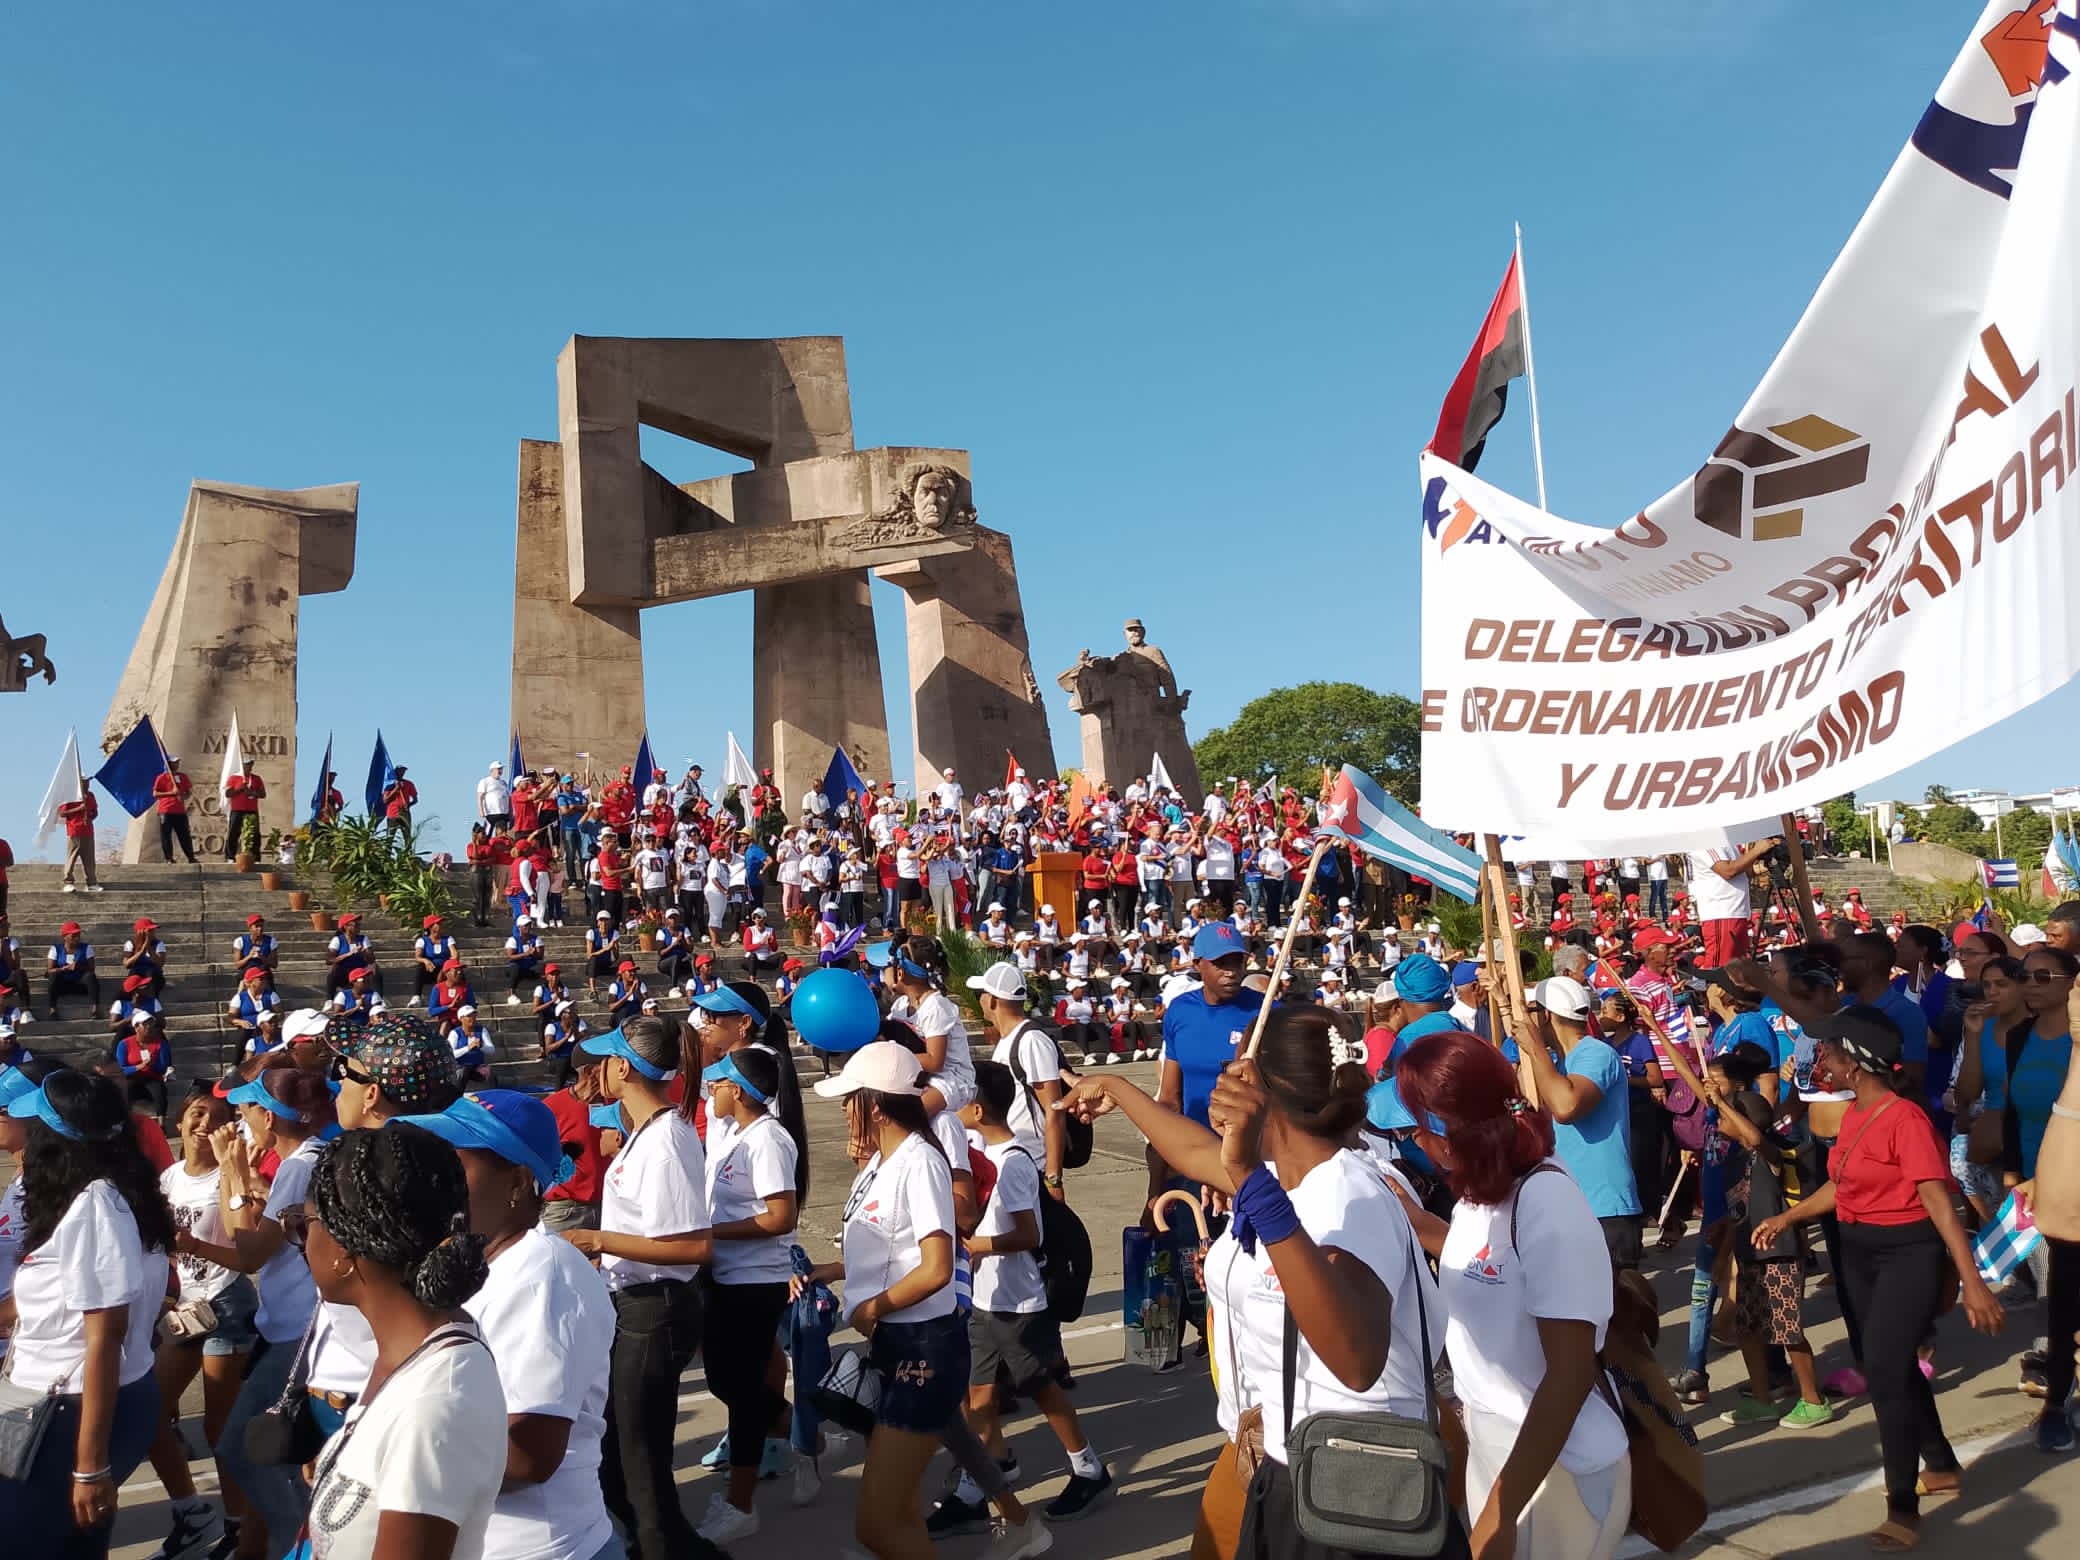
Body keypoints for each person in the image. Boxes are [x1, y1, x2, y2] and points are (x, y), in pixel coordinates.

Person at [1063, 1005, 1446, 1560]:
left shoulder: (1348, 1195)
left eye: (1239, 1071)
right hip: (1280, 1455)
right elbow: (1194, 1153)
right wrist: (1119, 1090)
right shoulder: (1285, 1176)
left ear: (1263, 1094)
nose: (1224, 1084)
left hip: (1356, 1480)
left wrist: (1245, 1177)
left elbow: (1357, 1361)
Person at [1749, 1006, 2004, 1547]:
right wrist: (1787, 1217)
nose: (1823, 1060)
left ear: (1856, 1062)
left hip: (1908, 1254)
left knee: (1886, 1375)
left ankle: (1903, 1507)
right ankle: (1940, 1464)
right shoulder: (1855, 1114)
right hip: (1860, 1252)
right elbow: (1840, 1186)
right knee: (1889, 1364)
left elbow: (1940, 1205)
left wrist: (1972, 1281)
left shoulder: (1904, 1119)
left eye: (1831, 1051)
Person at [800, 1043, 1047, 1560]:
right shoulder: (882, 1162)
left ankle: (1019, 1524)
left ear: (876, 1105)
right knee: (900, 1513)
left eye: (850, 1100)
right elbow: (891, 1250)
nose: (843, 1110)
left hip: (923, 1349)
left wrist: (871, 1309)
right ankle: (1017, 1521)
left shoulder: (920, 1162)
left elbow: (936, 1266)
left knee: (876, 1523)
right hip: (899, 1344)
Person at [1396, 1028, 1631, 1560]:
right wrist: (1412, 1219)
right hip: (1499, 1452)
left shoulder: (1546, 1202)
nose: (1412, 1141)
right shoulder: (1480, 1194)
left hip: (1555, 1470)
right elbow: (1478, 1261)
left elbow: (1569, 1378)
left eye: (1415, 1128)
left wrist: (1501, 1514)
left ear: (1448, 1135)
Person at [395, 1090, 620, 1560]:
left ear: (518, 1182)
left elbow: (526, 1455)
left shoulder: (542, 1274)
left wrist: (383, 1457)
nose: (437, 1179)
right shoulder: (475, 1264)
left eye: (455, 1163)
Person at [300, 1125, 507, 1560]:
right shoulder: (405, 1352)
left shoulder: (435, 1402)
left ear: (342, 1252)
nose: (300, 1241)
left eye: (301, 1225)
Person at [562, 1018, 722, 1560]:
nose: (598, 1070)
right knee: (620, 1457)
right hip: (634, 1305)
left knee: (638, 1461)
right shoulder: (647, 1134)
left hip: (656, 1308)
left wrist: (600, 1239)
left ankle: (660, 1549)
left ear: (623, 1067)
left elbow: (694, 1247)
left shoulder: (667, 1139)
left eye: (604, 1060)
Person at [0, 1070, 175, 1556]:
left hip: (69, 1411)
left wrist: (90, 1466)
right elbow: (57, 1300)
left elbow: (105, 1335)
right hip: (71, 1404)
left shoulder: (95, 1204)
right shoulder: (100, 1193)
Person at [955, 1061, 1112, 1525]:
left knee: (1039, 1387)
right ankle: (975, 1482)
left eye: (961, 1100)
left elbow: (1029, 1234)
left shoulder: (1013, 1163)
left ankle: (1088, 1467)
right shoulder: (978, 1153)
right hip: (985, 1297)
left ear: (979, 1109)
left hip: (1019, 1301)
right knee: (979, 1394)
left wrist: (978, 1245)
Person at [209, 1064, 337, 1560]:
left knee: (246, 1449)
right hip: (295, 1328)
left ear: (268, 1115)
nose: (240, 1122)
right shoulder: (307, 1159)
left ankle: (305, 1548)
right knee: (276, 1452)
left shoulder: (299, 1165)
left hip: (295, 1332)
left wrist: (233, 1170)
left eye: (244, 1111)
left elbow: (246, 1252)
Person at [139, 1082, 257, 1560]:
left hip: (227, 1303)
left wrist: (235, 1172)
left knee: (218, 1427)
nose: (203, 1123)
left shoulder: (226, 1177)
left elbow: (241, 1238)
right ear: (179, 1122)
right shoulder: (168, 1179)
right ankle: (192, 1512)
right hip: (187, 1310)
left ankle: (238, 1526)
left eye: (213, 1116)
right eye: (196, 1114)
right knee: (149, 1414)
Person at [694, 1045, 806, 1543]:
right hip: (727, 1277)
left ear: (736, 1091)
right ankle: (808, 1437)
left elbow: (781, 1217)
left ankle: (740, 1505)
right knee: (726, 1380)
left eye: (717, 1084)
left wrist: (713, 1234)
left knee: (738, 1391)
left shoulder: (768, 1141)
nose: (710, 1092)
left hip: (755, 1282)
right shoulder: (736, 1137)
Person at [1510, 975, 1644, 1272]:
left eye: (1533, 1012)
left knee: (1617, 1314)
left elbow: (1566, 1106)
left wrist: (1535, 1051)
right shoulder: (1557, 1065)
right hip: (1570, 1207)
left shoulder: (1596, 1053)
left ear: (1546, 1015)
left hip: (1604, 1210)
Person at [886, 934, 976, 1115]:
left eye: (891, 965)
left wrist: (891, 1055)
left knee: (909, 1117)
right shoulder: (900, 1006)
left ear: (901, 973)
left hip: (949, 1079)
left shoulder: (936, 1006)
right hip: (917, 1076)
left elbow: (935, 1062)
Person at [155, 756, 200, 864]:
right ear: (169, 764)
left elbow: (188, 791)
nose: (177, 764)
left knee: (184, 835)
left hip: (180, 811)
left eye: (177, 762)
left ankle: (191, 857)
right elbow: (155, 793)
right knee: (166, 835)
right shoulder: (162, 777)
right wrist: (172, 793)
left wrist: (184, 796)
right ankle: (169, 858)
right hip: (165, 811)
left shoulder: (183, 777)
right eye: (174, 762)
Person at [57, 785, 101, 892]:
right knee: (72, 857)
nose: (87, 785)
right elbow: (62, 813)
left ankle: (91, 882)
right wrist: (79, 808)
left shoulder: (90, 795)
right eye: (84, 782)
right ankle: (68, 882)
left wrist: (91, 817)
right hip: (74, 830)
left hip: (88, 831)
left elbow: (95, 811)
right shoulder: (69, 796)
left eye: (88, 782)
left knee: (89, 859)